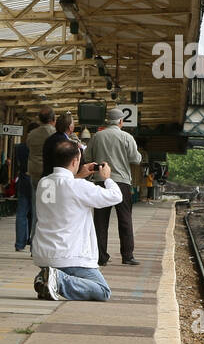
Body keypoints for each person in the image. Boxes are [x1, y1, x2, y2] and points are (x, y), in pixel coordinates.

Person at [32, 140, 121, 301]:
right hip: (70, 256)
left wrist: (78, 175)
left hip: (43, 255)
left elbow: (64, 188)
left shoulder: (43, 183)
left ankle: (48, 277)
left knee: (88, 283)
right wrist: (107, 178)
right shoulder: (78, 186)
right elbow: (115, 196)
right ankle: (57, 280)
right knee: (102, 291)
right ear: (75, 161)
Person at [86, 107, 142, 266]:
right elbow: (135, 159)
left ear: (107, 121)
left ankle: (101, 256)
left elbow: (87, 156)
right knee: (125, 218)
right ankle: (127, 256)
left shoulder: (97, 136)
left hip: (101, 181)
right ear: (120, 121)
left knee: (100, 220)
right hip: (122, 182)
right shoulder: (127, 137)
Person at [25, 106, 55, 235]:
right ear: (53, 119)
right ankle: (44, 241)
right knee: (48, 210)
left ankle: (33, 242)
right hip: (48, 176)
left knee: (36, 208)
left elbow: (28, 146)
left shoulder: (32, 134)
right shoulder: (54, 134)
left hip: (34, 174)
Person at [41, 112, 77, 179]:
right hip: (57, 179)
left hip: (46, 176)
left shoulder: (49, 139)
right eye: (73, 124)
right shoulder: (65, 143)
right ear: (70, 127)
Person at [13, 138, 31, 251]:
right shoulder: (39, 145)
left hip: (23, 177)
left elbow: (16, 164)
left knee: (21, 212)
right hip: (35, 178)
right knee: (35, 213)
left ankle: (19, 244)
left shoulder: (20, 147)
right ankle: (33, 245)